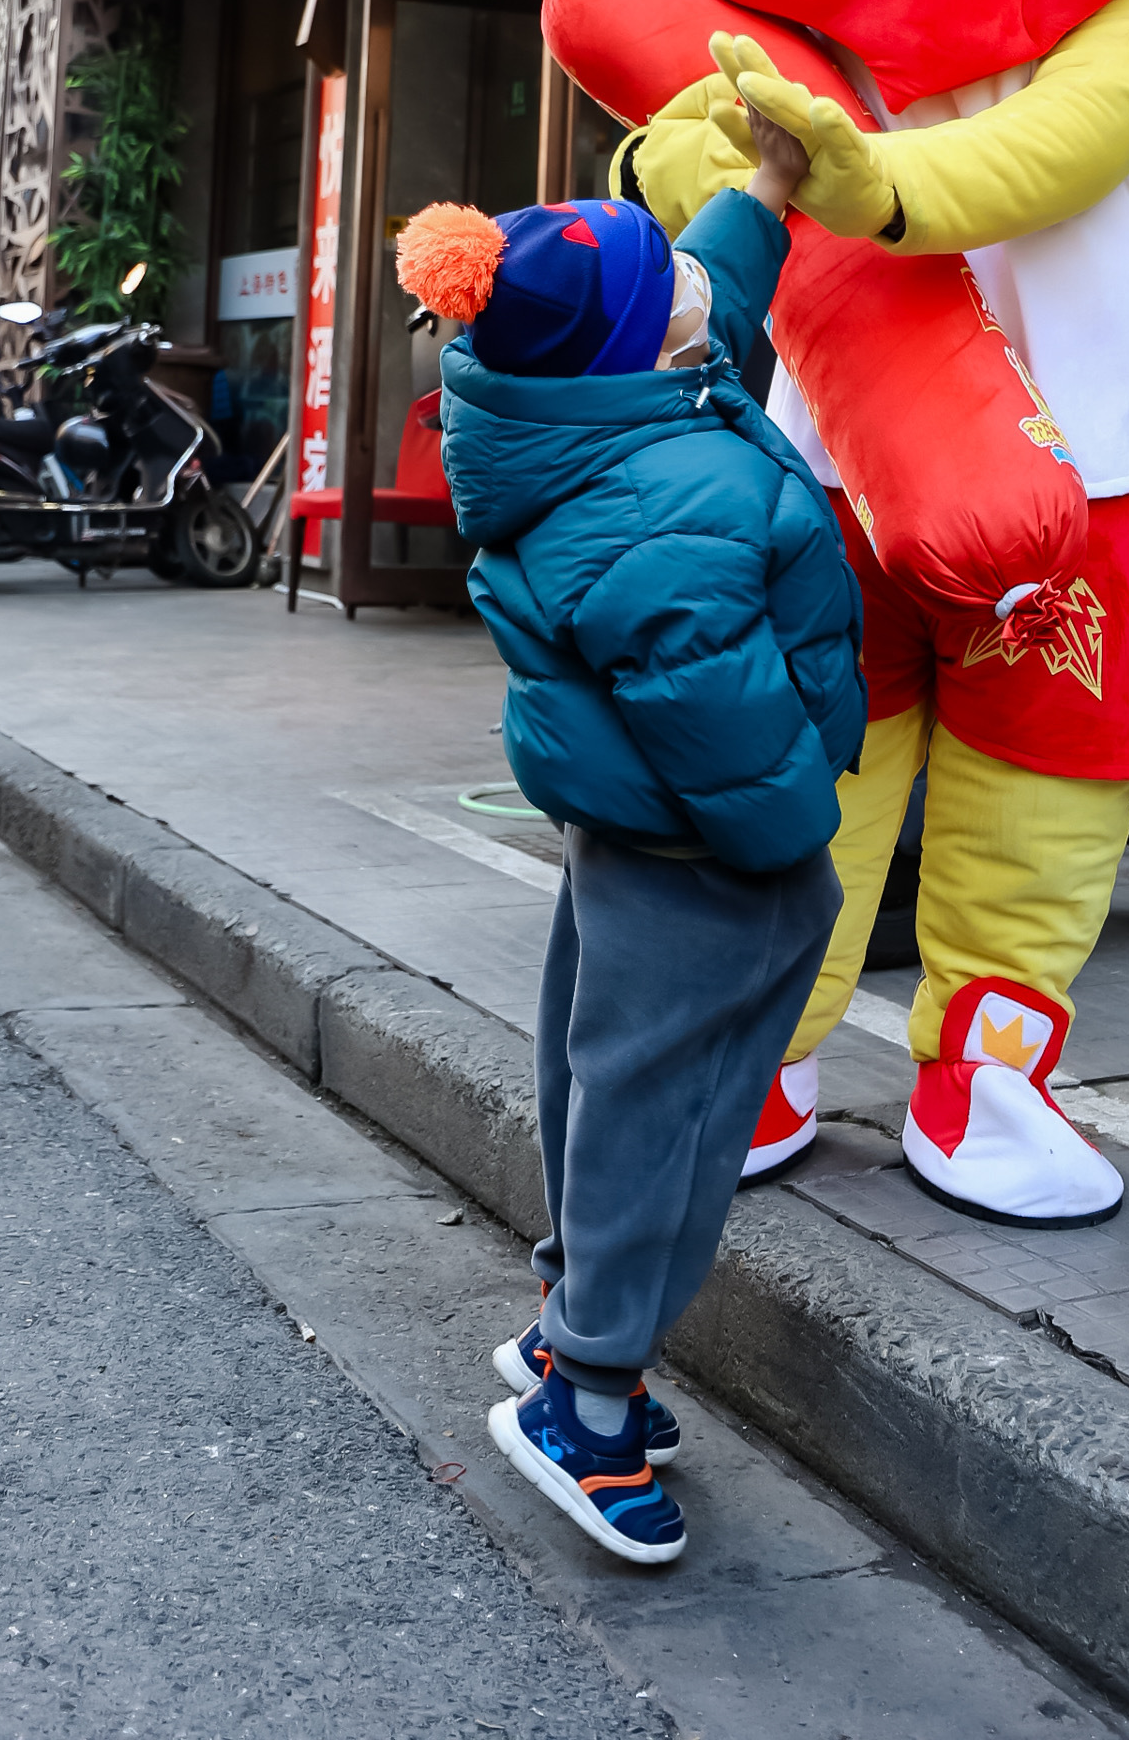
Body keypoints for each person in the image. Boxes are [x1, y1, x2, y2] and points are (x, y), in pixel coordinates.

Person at [395, 105, 864, 1571]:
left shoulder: (586, 405)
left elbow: (698, 269)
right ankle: (587, 1398)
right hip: (704, 842)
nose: (694, 289)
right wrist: (803, 848)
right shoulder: (662, 504)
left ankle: (565, 1329)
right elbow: (720, 721)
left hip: (636, 829)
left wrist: (772, 186)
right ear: (638, 352)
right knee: (665, 1107)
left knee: (601, 1072)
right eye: (668, 292)